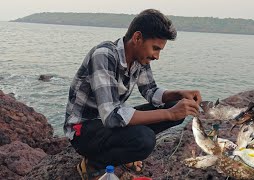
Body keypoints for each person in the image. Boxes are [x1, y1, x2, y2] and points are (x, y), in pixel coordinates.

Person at [63, 9, 202, 180]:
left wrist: (179, 94)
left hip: (108, 124)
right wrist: (169, 113)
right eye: (155, 48)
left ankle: (121, 153)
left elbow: (150, 91)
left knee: (176, 107)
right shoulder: (104, 55)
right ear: (137, 38)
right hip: (83, 131)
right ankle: (94, 164)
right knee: (144, 140)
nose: (157, 56)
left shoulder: (139, 59)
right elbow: (111, 116)